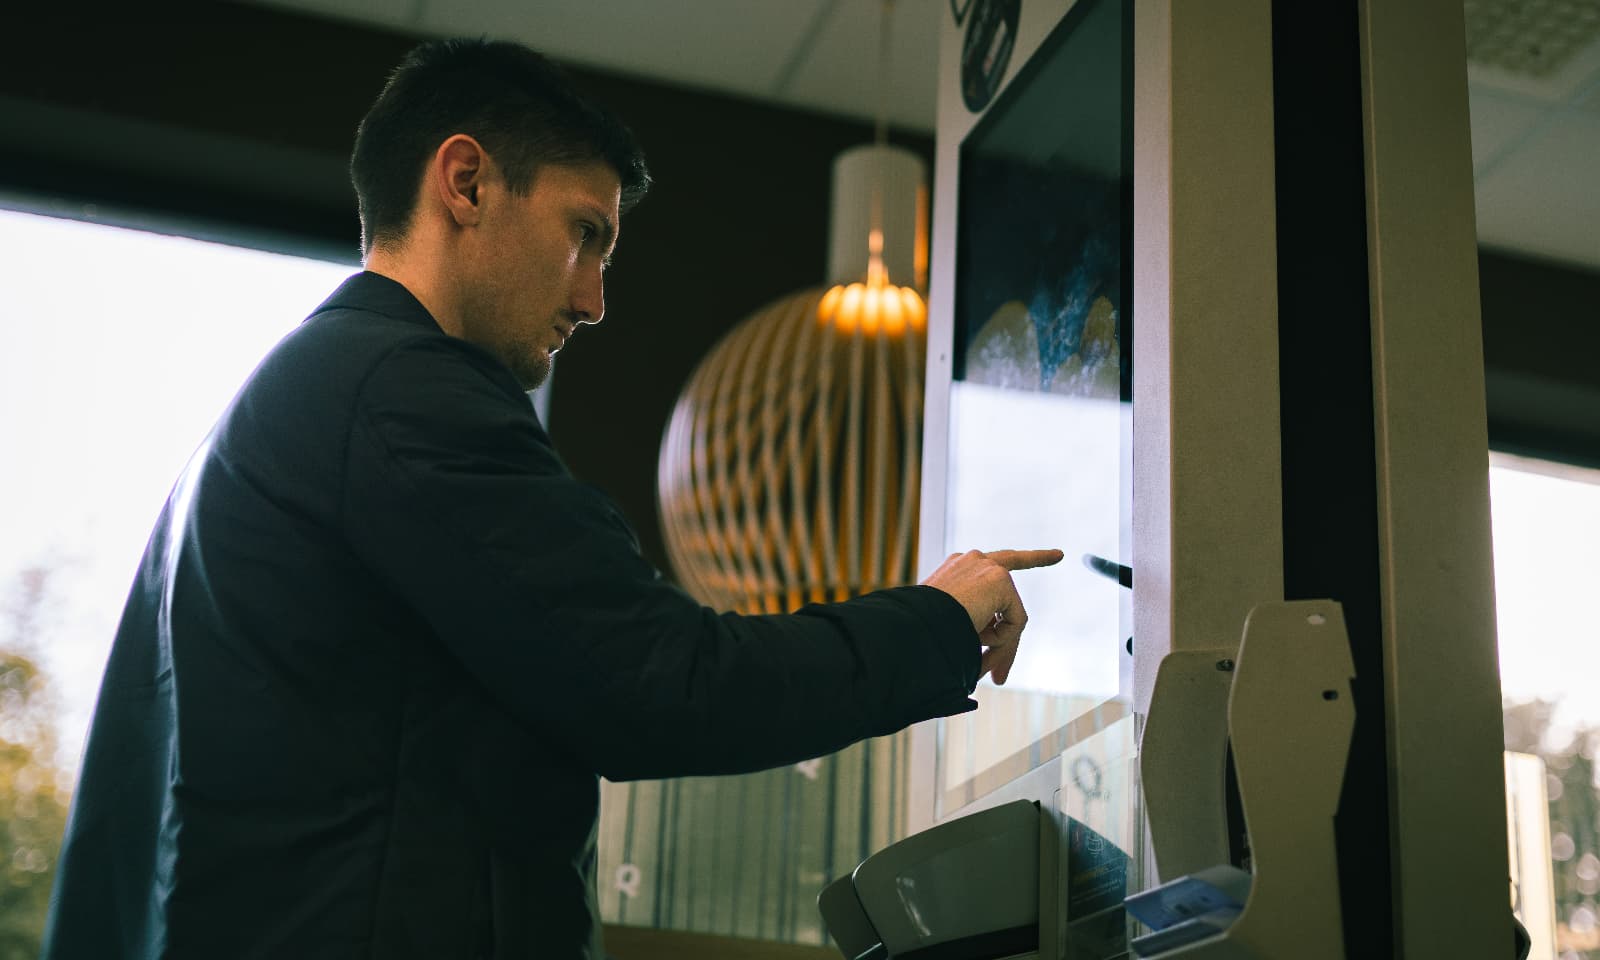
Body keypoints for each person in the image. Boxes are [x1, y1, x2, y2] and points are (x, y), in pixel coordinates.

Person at [42, 38, 1061, 960]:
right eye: (585, 235)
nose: (593, 300)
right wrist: (936, 616)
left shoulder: (298, 404)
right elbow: (663, 685)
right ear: (466, 182)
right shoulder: (399, 393)